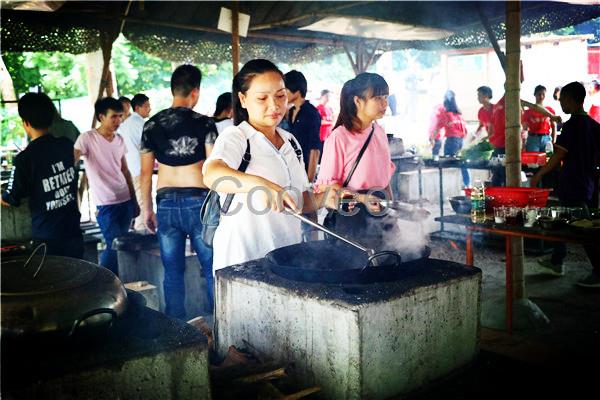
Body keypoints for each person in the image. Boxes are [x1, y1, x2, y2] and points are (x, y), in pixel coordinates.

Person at [202, 59, 337, 272]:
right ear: (243, 99)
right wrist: (262, 185)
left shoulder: (291, 142)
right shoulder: (236, 137)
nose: (274, 106)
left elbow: (298, 201)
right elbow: (212, 174)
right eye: (262, 98)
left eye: (280, 96)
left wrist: (325, 198)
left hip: (286, 256)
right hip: (243, 260)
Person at [140, 64, 218, 319]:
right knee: (210, 268)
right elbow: (213, 169)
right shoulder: (205, 123)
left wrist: (147, 210)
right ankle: (219, 323)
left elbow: (144, 174)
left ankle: (176, 329)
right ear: (195, 92)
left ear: (173, 90)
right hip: (198, 202)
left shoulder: (151, 125)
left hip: (166, 204)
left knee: (172, 270)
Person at [530, 81, 600, 288]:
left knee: (584, 230)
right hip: (589, 182)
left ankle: (598, 271)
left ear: (569, 100)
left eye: (562, 101)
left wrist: (538, 175)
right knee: (562, 219)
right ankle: (556, 261)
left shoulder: (571, 126)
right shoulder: (595, 126)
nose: (560, 105)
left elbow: (557, 157)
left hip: (573, 183)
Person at [1, 93, 83, 258]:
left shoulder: (25, 159)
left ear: (26, 123)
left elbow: (10, 198)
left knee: (50, 282)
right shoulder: (67, 145)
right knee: (76, 279)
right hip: (73, 231)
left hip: (47, 238)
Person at [316, 72, 396, 241]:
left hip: (380, 208)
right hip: (351, 215)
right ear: (358, 101)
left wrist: (392, 209)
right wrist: (363, 199)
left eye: (386, 97)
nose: (384, 103)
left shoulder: (379, 131)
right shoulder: (339, 137)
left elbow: (385, 178)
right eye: (377, 98)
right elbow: (326, 188)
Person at [74, 97, 139, 276]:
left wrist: (135, 201)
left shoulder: (119, 139)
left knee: (121, 244)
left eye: (120, 116)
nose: (118, 121)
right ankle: (103, 279)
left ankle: (115, 283)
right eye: (114, 117)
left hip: (124, 199)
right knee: (114, 244)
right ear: (101, 117)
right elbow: (71, 158)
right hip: (105, 203)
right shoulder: (87, 138)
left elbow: (125, 171)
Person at [118, 93, 151, 231]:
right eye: (147, 106)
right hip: (139, 168)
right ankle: (143, 229)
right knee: (143, 200)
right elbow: (148, 147)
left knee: (135, 200)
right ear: (137, 107)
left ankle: (138, 227)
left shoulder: (124, 125)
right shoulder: (140, 124)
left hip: (128, 169)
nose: (149, 109)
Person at [284, 70, 322, 183]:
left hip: (306, 168)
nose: (284, 93)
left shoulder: (311, 113)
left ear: (297, 90)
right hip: (293, 167)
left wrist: (309, 180)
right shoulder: (290, 112)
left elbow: (314, 149)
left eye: (286, 89)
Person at [429, 90, 469, 187]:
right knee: (461, 162)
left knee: (448, 164)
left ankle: (450, 187)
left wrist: (432, 138)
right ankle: (467, 184)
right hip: (461, 141)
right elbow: (466, 132)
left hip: (452, 141)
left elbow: (438, 128)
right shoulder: (459, 115)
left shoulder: (447, 114)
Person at [522, 85, 556, 151]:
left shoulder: (550, 110)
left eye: (543, 94)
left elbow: (554, 126)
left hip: (547, 139)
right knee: (533, 160)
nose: (541, 96)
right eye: (539, 94)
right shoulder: (527, 112)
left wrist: (553, 142)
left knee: (547, 159)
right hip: (532, 139)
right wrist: (523, 143)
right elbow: (524, 129)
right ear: (535, 95)